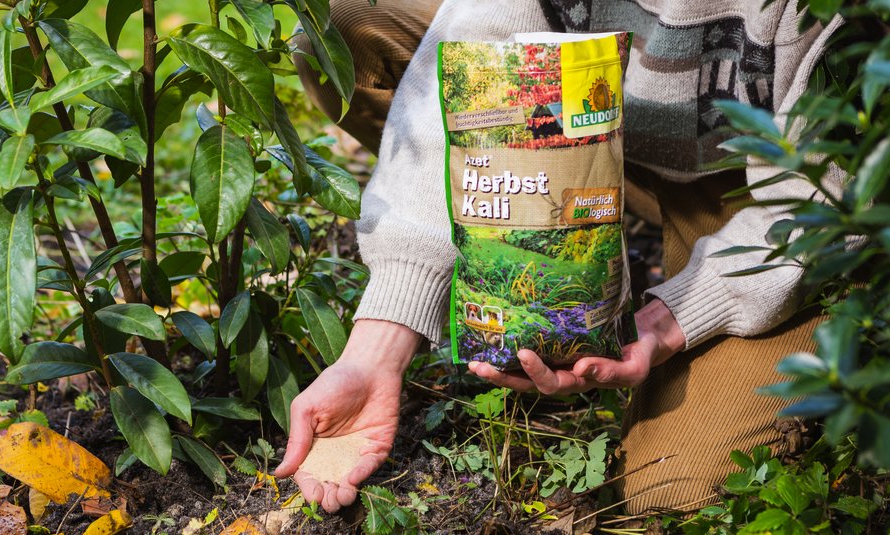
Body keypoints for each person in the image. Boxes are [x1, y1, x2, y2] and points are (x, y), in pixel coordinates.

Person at [274, 0, 842, 515]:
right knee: (345, 25)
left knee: (668, 490)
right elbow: (480, 42)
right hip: (604, 143)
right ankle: (594, 211)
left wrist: (669, 322)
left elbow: (833, 196)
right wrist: (378, 347)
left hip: (757, 187)